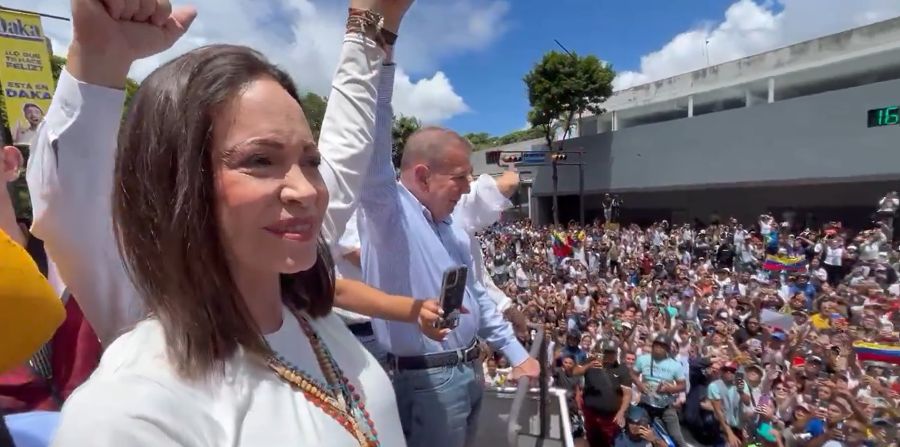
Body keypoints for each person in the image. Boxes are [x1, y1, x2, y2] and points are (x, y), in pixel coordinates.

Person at [27, 1, 423, 445]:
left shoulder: (308, 314)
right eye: (260, 160)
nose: (308, 190)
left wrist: (370, 30)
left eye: (311, 161)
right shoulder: (134, 406)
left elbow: (346, 152)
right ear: (175, 181)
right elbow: (70, 205)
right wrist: (98, 63)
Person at [357, 73, 540, 446]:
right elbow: (373, 146)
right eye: (460, 176)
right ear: (423, 177)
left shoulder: (453, 226)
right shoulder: (387, 213)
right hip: (428, 382)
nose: (470, 185)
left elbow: (475, 294)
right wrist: (382, 52)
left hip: (469, 370)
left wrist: (516, 353)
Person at [574, 339, 633, 447]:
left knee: (606, 443)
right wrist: (588, 366)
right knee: (589, 441)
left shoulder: (621, 369)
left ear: (616, 353)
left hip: (609, 419)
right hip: (590, 415)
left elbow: (627, 394)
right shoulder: (590, 362)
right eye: (606, 352)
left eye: (612, 352)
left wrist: (621, 412)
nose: (609, 355)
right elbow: (574, 372)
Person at [632, 334, 688, 447]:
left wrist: (670, 388)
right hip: (646, 404)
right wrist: (640, 385)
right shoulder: (643, 359)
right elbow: (633, 374)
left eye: (661, 346)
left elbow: (683, 386)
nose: (658, 348)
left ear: (667, 349)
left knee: (677, 437)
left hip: (665, 406)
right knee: (638, 432)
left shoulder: (675, 365)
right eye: (656, 345)